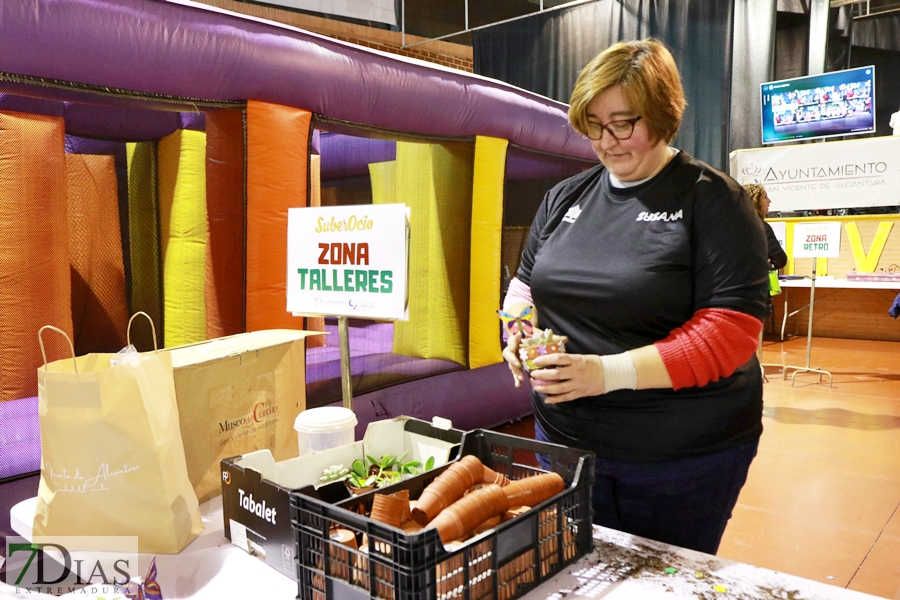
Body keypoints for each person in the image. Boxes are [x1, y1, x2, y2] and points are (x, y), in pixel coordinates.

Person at [501, 38, 770, 556]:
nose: (607, 141)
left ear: (663, 116)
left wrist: (604, 374)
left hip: (679, 458)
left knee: (662, 578)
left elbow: (728, 336)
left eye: (623, 123)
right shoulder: (565, 197)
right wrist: (516, 336)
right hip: (566, 444)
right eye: (593, 125)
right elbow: (523, 289)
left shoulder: (712, 200)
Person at [743, 183, 787, 270]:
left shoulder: (729, 226)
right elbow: (780, 260)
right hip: (755, 279)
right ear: (755, 200)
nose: (769, 201)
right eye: (765, 197)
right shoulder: (760, 227)